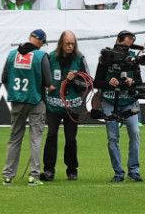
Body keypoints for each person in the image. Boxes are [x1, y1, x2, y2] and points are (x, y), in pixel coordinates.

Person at [40, 30, 91, 182]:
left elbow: (88, 82)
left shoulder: (80, 58)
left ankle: (72, 169)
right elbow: (42, 78)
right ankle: (48, 170)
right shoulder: (50, 58)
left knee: (70, 139)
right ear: (61, 43)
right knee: (51, 136)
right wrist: (47, 87)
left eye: (72, 44)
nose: (70, 46)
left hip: (72, 106)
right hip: (53, 105)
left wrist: (75, 78)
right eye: (67, 43)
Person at [0, 28, 49, 185]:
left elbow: (4, 78)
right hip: (36, 100)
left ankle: (8, 175)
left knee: (14, 138)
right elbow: (48, 82)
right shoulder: (41, 56)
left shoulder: (12, 54)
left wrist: (14, 93)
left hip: (17, 100)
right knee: (35, 139)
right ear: (40, 41)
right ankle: (34, 175)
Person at [94, 30, 143, 183]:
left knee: (135, 133)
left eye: (129, 45)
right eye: (124, 44)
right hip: (109, 100)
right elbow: (96, 82)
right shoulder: (106, 56)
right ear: (118, 40)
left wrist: (132, 82)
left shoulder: (134, 58)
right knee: (113, 138)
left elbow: (139, 81)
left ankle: (134, 170)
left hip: (129, 101)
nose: (125, 49)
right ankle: (118, 172)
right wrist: (109, 83)